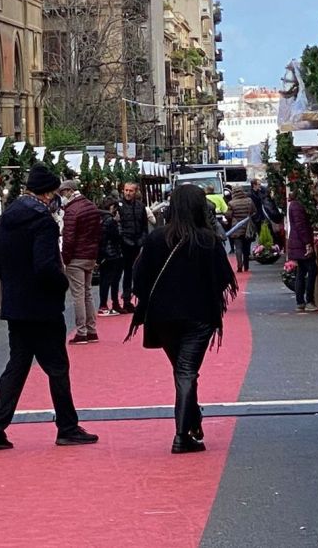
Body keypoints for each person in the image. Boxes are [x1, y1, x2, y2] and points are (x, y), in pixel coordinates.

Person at [0, 164, 98, 450]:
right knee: (57, 366)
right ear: (48, 193)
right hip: (42, 307)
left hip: (16, 306)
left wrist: (15, 285)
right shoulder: (42, 220)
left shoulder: (8, 217)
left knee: (17, 365)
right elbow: (45, 266)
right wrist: (61, 286)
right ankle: (67, 427)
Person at [127, 185, 238, 454]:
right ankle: (181, 435)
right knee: (186, 372)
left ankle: (192, 422)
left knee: (182, 371)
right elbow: (224, 279)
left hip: (163, 318)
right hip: (198, 316)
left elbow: (139, 279)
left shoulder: (156, 239)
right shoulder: (207, 240)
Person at [59, 180, 102, 344]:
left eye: (63, 193)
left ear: (69, 191)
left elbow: (68, 238)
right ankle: (92, 330)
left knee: (78, 295)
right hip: (90, 255)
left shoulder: (72, 210)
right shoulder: (91, 206)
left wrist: (65, 258)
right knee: (87, 293)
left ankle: (82, 331)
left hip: (76, 256)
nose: (62, 197)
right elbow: (98, 232)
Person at [116, 182, 148, 312]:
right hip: (124, 244)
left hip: (137, 242)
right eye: (126, 190)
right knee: (127, 272)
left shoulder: (141, 206)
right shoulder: (119, 206)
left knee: (138, 271)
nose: (128, 193)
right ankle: (127, 299)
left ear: (136, 192)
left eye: (131, 191)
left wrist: (142, 240)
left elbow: (144, 226)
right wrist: (124, 240)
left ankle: (139, 297)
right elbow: (118, 226)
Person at [288, 192, 318, 312]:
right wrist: (307, 243)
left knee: (302, 271)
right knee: (312, 269)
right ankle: (308, 300)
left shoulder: (294, 205)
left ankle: (300, 301)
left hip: (297, 243)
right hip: (301, 244)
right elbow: (301, 226)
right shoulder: (297, 206)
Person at [97, 197, 123, 316]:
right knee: (112, 280)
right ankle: (108, 304)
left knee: (104, 280)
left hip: (104, 254)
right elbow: (116, 237)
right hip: (112, 253)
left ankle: (104, 304)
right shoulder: (110, 220)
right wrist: (117, 222)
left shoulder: (100, 218)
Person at [225, 187, 257, 272]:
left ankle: (239, 267)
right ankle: (246, 265)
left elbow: (229, 215)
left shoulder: (231, 203)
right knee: (246, 248)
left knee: (238, 248)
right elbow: (254, 211)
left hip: (236, 227)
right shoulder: (249, 201)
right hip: (247, 227)